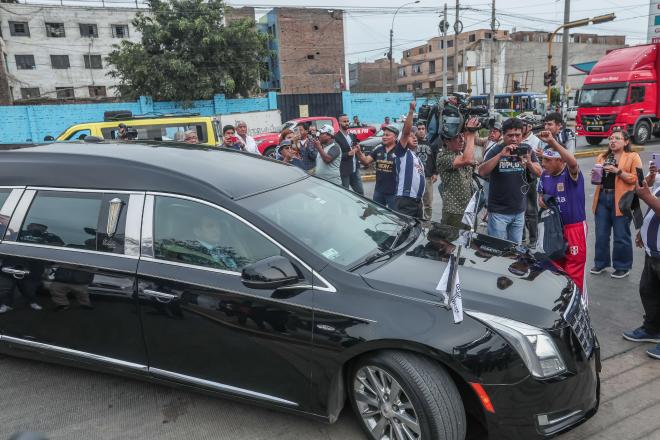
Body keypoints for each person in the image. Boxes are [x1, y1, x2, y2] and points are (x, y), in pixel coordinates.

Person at [537, 130, 587, 293]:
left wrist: (553, 143)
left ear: (560, 160)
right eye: (542, 159)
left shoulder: (570, 173)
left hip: (574, 229)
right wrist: (542, 200)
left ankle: (577, 307)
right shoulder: (545, 176)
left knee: (574, 274)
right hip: (554, 228)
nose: (543, 164)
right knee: (554, 270)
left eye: (547, 160)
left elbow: (572, 162)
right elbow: (541, 196)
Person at [478, 118, 542, 244]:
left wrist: (529, 163)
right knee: (498, 250)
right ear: (503, 135)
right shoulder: (496, 150)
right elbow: (482, 171)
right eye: (510, 135)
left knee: (515, 252)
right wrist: (500, 156)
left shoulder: (526, 149)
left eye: (517, 135)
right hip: (498, 213)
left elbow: (539, 172)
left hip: (519, 211)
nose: (514, 139)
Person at [590, 130, 643, 279]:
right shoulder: (603, 156)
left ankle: (622, 266)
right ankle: (600, 263)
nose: (613, 141)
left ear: (626, 142)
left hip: (622, 200)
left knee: (621, 235)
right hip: (602, 198)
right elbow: (597, 179)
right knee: (601, 234)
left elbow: (637, 179)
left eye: (617, 138)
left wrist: (618, 171)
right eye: (611, 138)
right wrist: (595, 175)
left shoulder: (633, 156)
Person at [623, 173, 660, 359]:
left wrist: (646, 196)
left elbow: (651, 199)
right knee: (648, 291)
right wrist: (644, 230)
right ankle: (652, 329)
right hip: (652, 251)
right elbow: (653, 208)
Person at [436, 119, 480, 229]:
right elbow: (467, 159)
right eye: (457, 137)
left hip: (469, 209)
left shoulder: (460, 153)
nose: (461, 140)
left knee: (468, 242)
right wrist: (470, 134)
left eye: (462, 136)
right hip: (454, 211)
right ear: (446, 141)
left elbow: (468, 158)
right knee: (453, 243)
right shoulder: (443, 157)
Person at [392, 101, 426, 218]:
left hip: (417, 202)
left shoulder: (416, 157)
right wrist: (411, 111)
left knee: (417, 233)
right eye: (411, 136)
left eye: (414, 135)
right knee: (404, 233)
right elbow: (406, 132)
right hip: (405, 201)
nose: (414, 137)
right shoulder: (402, 153)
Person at [357, 124, 399, 210]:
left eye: (387, 135)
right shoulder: (379, 149)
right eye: (383, 135)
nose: (384, 137)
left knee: (396, 217)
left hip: (395, 192)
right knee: (376, 214)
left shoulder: (400, 151)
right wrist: (358, 152)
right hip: (379, 191)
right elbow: (366, 161)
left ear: (395, 137)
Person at [521, 120, 542, 248]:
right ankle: (521, 238)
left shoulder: (534, 141)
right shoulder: (514, 140)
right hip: (517, 178)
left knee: (531, 211)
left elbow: (538, 163)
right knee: (519, 211)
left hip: (530, 178)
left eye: (523, 126)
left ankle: (534, 239)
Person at [335, 114, 364, 195]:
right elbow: (337, 156)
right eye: (344, 121)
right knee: (345, 194)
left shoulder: (352, 135)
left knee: (360, 192)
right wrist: (349, 153)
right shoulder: (336, 137)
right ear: (339, 123)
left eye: (348, 121)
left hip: (355, 169)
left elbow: (356, 149)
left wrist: (358, 149)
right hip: (344, 171)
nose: (347, 123)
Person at [415, 122, 439, 220]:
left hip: (427, 177)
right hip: (415, 177)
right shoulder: (413, 142)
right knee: (415, 201)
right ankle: (415, 221)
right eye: (419, 129)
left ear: (426, 130)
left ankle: (427, 223)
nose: (421, 131)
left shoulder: (431, 143)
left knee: (428, 203)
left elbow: (435, 159)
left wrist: (436, 173)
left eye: (423, 129)